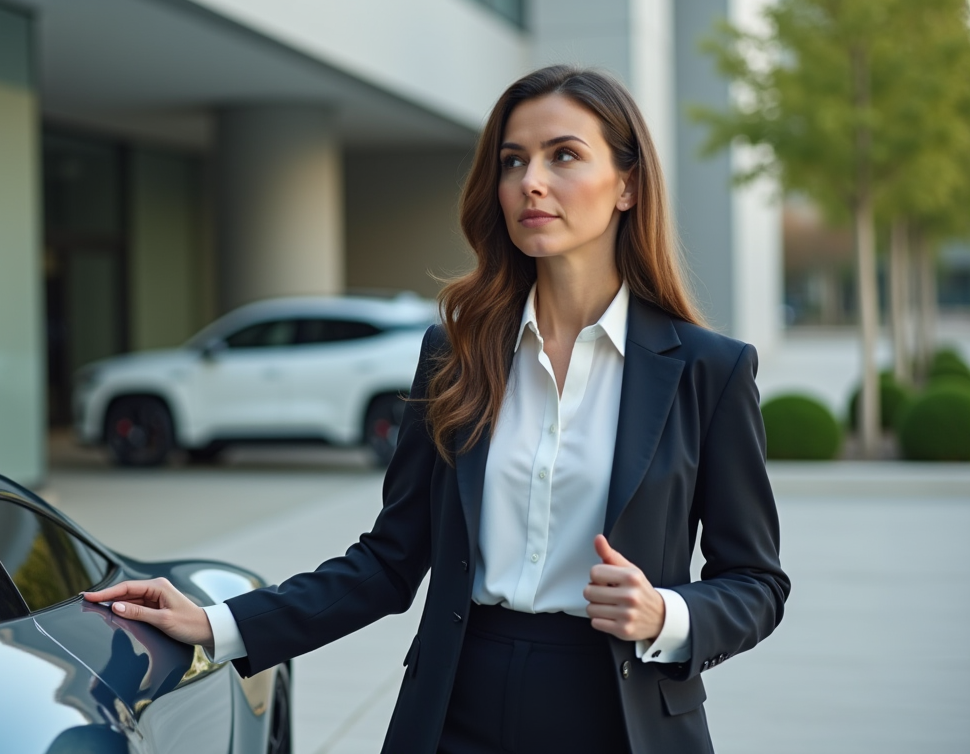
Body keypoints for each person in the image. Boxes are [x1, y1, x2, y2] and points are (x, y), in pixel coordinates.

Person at [85, 65, 790, 754]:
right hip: (459, 699)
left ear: (628, 185)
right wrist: (216, 624)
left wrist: (668, 613)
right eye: (512, 161)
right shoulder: (454, 352)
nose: (530, 182)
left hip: (621, 711)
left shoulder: (709, 370)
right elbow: (389, 561)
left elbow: (756, 582)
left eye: (564, 155)